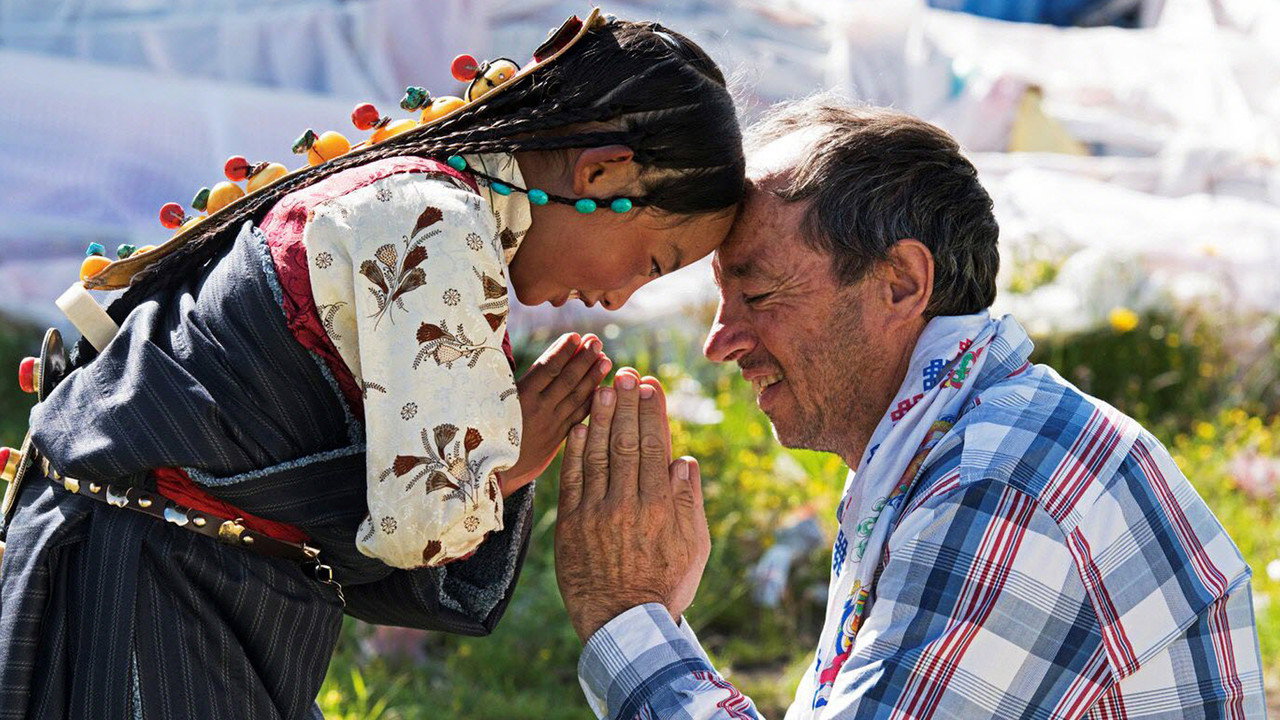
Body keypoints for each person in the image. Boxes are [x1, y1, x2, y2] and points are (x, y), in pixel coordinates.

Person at [0, 10, 744, 719]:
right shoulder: (438, 224)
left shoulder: (427, 196)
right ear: (603, 174)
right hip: (150, 589)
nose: (620, 297)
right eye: (654, 262)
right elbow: (418, 525)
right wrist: (511, 461)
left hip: (167, 571)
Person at [554, 97, 1266, 719]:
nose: (720, 342)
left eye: (759, 294)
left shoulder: (999, 486)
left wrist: (628, 616)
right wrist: (649, 620)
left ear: (900, 282)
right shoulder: (959, 442)